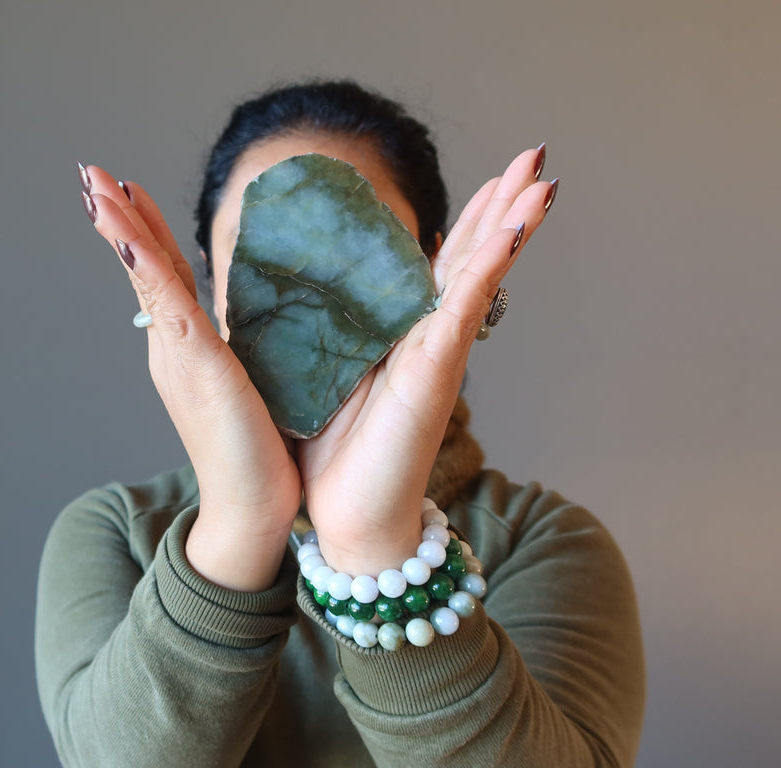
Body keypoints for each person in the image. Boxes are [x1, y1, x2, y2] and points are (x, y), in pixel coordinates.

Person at [35, 80, 644, 767]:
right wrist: (243, 518)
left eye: (353, 241)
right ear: (209, 273)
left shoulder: (545, 543)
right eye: (260, 244)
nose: (305, 284)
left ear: (434, 270)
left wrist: (375, 541)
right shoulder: (115, 531)